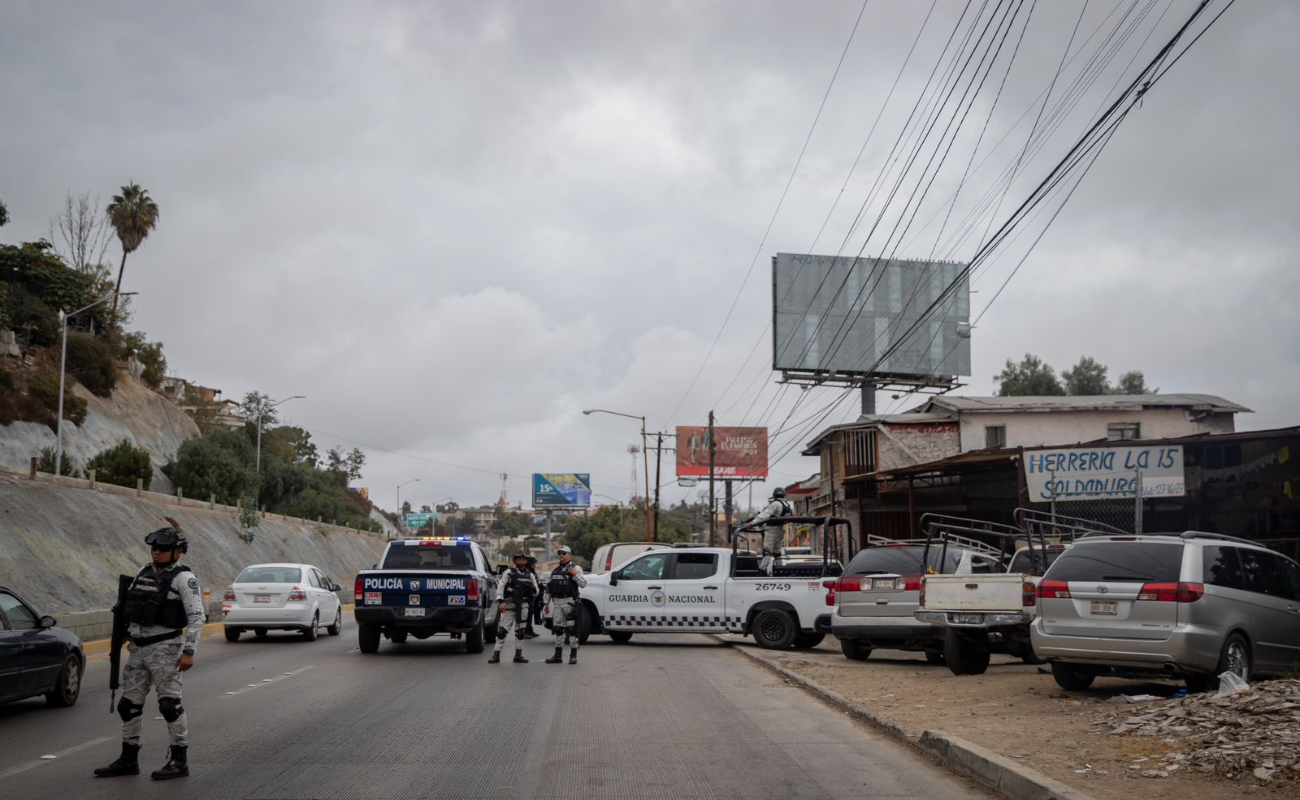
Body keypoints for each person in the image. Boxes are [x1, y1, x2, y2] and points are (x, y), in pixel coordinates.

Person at [95, 525, 205, 781]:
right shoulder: (143, 572)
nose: (156, 552)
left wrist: (189, 650)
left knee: (169, 705)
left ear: (178, 551)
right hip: (137, 649)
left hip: (165, 650)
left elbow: (197, 617)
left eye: (163, 548)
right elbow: (128, 608)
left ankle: (179, 760)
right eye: (154, 547)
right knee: (128, 705)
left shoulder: (183, 578)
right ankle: (128, 759)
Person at [488, 552, 536, 664]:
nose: (521, 561)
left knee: (521, 631)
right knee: (502, 631)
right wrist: (501, 601)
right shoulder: (508, 572)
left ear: (526, 561)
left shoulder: (530, 575)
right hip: (510, 604)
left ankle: (518, 655)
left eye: (523, 559)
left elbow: (536, 592)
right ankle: (496, 655)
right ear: (515, 561)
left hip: (523, 605)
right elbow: (500, 587)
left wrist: (532, 587)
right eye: (519, 559)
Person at [544, 545, 587, 665]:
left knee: (572, 629)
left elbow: (583, 584)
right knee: (558, 629)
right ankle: (558, 656)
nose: (561, 555)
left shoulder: (576, 568)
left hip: (570, 601)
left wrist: (574, 574)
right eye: (560, 553)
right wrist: (546, 603)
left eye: (564, 553)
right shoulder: (555, 570)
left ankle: (573, 655)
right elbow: (549, 588)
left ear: (570, 555)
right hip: (557, 601)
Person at [747, 487, 792, 577]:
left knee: (767, 551)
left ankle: (762, 571)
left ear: (774, 495)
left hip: (772, 530)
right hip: (780, 530)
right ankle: (780, 569)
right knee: (776, 552)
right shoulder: (787, 505)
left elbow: (764, 515)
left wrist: (752, 523)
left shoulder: (775, 504)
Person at [522, 555, 542, 639]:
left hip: (533, 595)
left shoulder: (532, 570)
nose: (535, 564)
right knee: (528, 614)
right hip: (528, 596)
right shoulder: (527, 571)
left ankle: (530, 630)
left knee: (532, 613)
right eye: (534, 563)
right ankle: (525, 631)